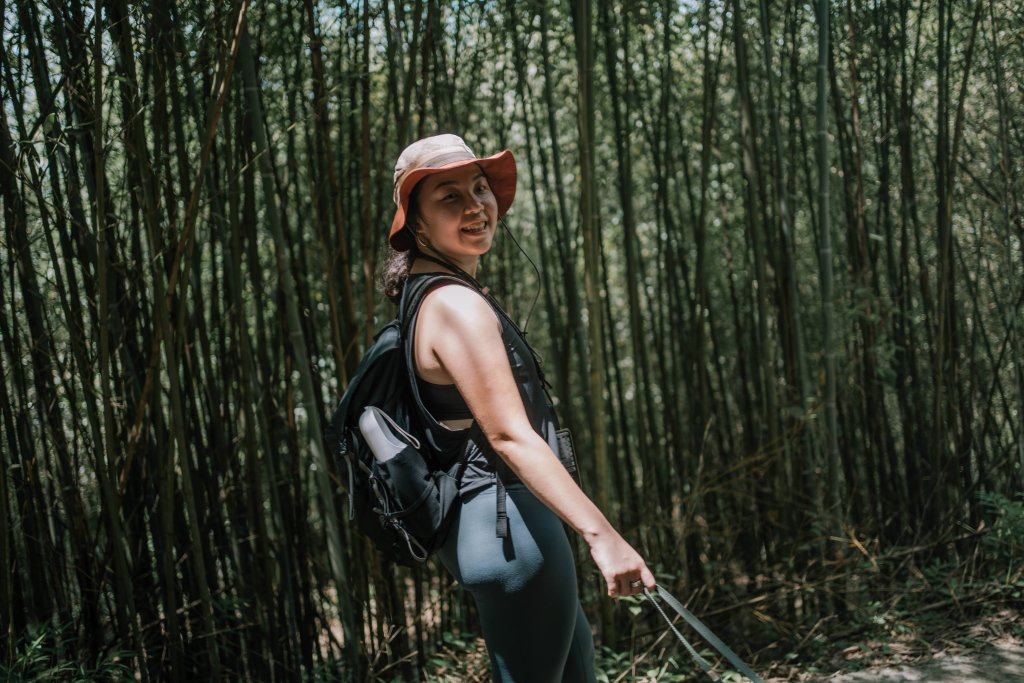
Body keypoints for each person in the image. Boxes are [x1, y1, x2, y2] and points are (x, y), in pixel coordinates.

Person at [381, 134, 655, 682]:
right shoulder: (455, 303)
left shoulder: (425, 295)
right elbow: (509, 435)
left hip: (493, 527)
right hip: (511, 529)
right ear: (415, 223)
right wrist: (604, 538)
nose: (475, 206)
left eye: (479, 189)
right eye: (449, 197)